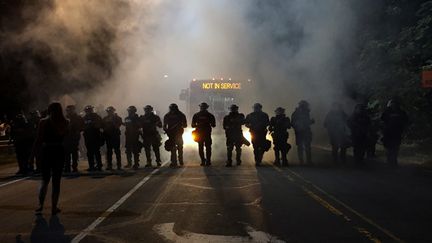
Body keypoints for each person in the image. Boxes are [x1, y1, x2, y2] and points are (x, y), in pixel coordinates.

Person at [33, 103, 69, 215]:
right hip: (58, 151)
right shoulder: (65, 122)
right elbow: (65, 136)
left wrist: (33, 155)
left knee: (45, 180)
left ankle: (40, 205)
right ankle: (54, 207)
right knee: (56, 181)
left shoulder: (43, 122)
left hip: (47, 150)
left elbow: (38, 139)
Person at [381, 99, 409, 166]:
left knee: (395, 147)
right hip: (388, 132)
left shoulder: (401, 112)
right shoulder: (386, 112)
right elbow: (382, 120)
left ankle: (394, 161)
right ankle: (389, 161)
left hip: (397, 132)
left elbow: (406, 121)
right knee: (388, 147)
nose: (393, 105)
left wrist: (404, 130)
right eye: (392, 103)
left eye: (395, 103)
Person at [63, 105, 84, 172]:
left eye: (70, 110)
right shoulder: (65, 118)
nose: (69, 111)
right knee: (67, 153)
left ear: (74, 110)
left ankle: (74, 167)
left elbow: (82, 126)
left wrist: (77, 131)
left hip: (74, 138)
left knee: (74, 153)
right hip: (66, 138)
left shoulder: (78, 118)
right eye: (68, 110)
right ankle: (67, 167)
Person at [83, 105, 104, 171]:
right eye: (87, 110)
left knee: (96, 152)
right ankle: (91, 166)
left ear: (91, 110)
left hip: (95, 137)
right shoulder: (84, 118)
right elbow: (81, 126)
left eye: (89, 110)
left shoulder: (96, 116)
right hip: (88, 138)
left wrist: (93, 126)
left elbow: (100, 125)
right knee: (89, 153)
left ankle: (99, 166)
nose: (88, 111)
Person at [102, 106, 123, 170]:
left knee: (117, 151)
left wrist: (113, 121)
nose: (109, 112)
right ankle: (109, 165)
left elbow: (117, 126)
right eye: (108, 111)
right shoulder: (105, 118)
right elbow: (102, 127)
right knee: (109, 152)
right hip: (108, 137)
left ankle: (119, 165)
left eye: (111, 111)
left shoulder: (118, 118)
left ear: (113, 111)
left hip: (115, 136)